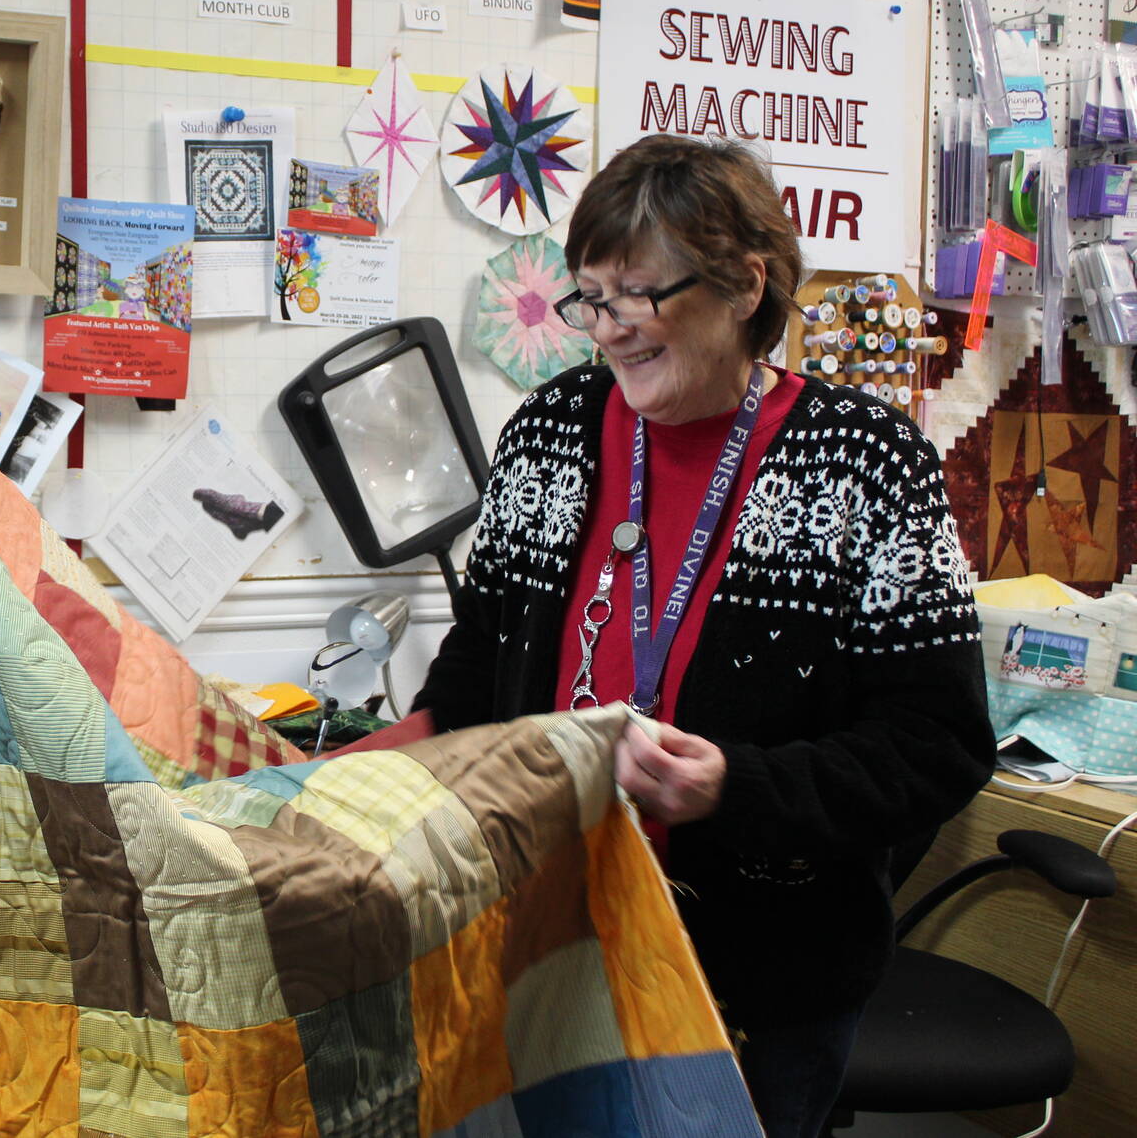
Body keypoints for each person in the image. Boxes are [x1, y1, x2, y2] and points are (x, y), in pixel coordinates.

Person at [410, 135, 992, 1138]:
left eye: (635, 296)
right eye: (590, 297)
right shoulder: (548, 431)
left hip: (752, 987)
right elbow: (477, 663)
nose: (606, 331)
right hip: (539, 949)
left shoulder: (861, 463)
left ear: (740, 285)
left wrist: (732, 789)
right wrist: (386, 771)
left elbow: (934, 747)